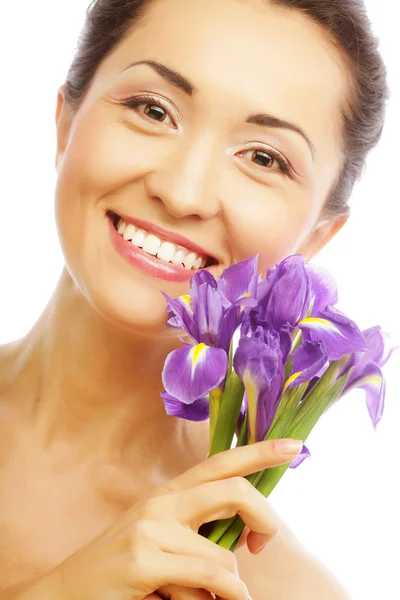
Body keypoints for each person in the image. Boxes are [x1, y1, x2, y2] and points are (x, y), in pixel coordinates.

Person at [0, 0, 388, 598]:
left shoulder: (276, 589)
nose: (183, 193)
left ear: (316, 238)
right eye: (153, 110)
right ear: (64, 120)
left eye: (263, 157)